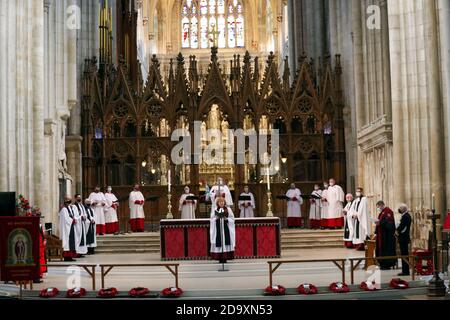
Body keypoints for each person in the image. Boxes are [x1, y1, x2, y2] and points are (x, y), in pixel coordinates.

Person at [210, 197, 235, 263]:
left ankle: (226, 257)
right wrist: (216, 218)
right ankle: (219, 257)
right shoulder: (215, 209)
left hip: (226, 227)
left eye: (223, 202)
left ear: (224, 202)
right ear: (217, 203)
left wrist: (227, 219)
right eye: (220, 202)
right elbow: (211, 219)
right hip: (218, 228)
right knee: (219, 240)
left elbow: (232, 218)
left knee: (225, 240)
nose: (221, 203)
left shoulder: (228, 209)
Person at [374, 201, 397, 270]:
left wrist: (379, 223)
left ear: (382, 205)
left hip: (387, 236)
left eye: (378, 207)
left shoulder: (388, 211)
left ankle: (387, 264)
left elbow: (389, 223)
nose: (378, 208)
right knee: (381, 249)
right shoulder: (382, 212)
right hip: (382, 235)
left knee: (386, 250)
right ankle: (382, 263)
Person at [59, 197, 78, 262]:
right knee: (67, 242)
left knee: (71, 241)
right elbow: (66, 219)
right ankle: (67, 257)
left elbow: (71, 216)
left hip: (70, 227)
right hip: (66, 228)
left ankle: (70, 256)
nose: (69, 204)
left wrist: (74, 219)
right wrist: (72, 220)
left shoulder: (69, 208)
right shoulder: (64, 209)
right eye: (67, 202)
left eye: (69, 202)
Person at [396, 204, 412, 276]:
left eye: (400, 208)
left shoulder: (406, 216)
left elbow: (403, 227)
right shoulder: (405, 216)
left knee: (404, 255)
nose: (399, 210)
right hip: (403, 238)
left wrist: (397, 230)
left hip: (404, 238)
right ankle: (404, 271)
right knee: (403, 255)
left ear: (404, 209)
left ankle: (405, 271)